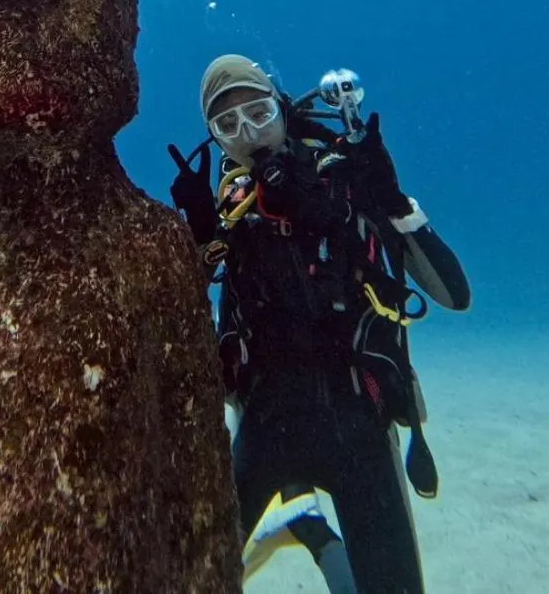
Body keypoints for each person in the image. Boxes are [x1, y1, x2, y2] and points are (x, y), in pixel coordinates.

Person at [167, 54, 471, 594]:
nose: (249, 134)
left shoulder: (348, 182)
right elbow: (178, 324)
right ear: (215, 139)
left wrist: (392, 199)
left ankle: (315, 534)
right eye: (228, 124)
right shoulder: (228, 215)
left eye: (258, 113)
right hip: (264, 423)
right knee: (187, 579)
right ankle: (305, 524)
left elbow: (454, 295)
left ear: (282, 109)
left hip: (358, 421)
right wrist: (194, 241)